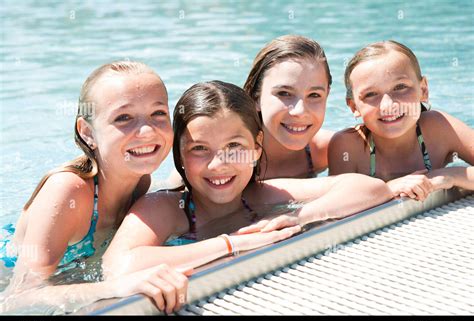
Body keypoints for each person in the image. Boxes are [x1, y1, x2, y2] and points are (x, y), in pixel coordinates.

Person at [102, 81, 392, 276]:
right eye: (200, 149)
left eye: (234, 147)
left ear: (256, 149)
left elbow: (369, 187)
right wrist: (232, 244)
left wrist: (300, 217)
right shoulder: (164, 209)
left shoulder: (261, 195)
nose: (219, 164)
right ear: (178, 155)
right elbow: (118, 265)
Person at [0, 61, 188, 314]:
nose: (146, 131)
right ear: (87, 132)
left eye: (158, 114)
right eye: (124, 118)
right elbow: (18, 297)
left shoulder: (141, 183)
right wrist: (116, 286)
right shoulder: (68, 191)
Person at [328, 40, 474, 200]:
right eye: (370, 94)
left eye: (400, 87)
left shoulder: (439, 128)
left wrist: (449, 175)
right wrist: (388, 188)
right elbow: (337, 202)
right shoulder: (348, 147)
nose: (388, 105)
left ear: (423, 90)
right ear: (354, 107)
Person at [242, 35, 334, 179]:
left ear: (327, 95)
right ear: (255, 97)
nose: (300, 111)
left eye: (314, 95)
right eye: (284, 93)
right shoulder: (234, 155)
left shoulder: (330, 150)